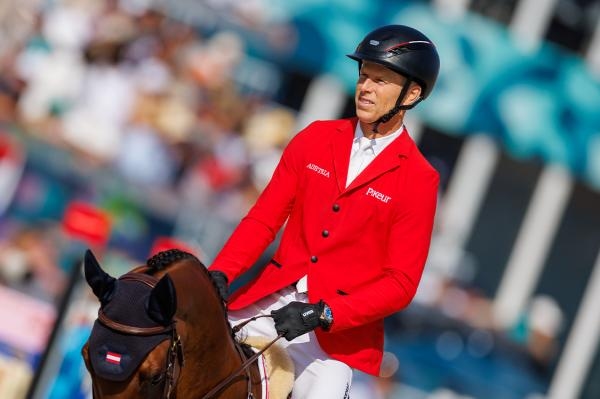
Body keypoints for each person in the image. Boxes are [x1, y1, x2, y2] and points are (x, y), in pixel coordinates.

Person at [208, 24, 440, 398]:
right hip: (268, 304)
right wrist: (219, 272)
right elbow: (264, 219)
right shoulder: (315, 137)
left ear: (412, 94)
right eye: (364, 76)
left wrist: (326, 312)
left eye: (380, 81)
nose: (365, 88)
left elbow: (401, 283)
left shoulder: (419, 179)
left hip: (332, 340)